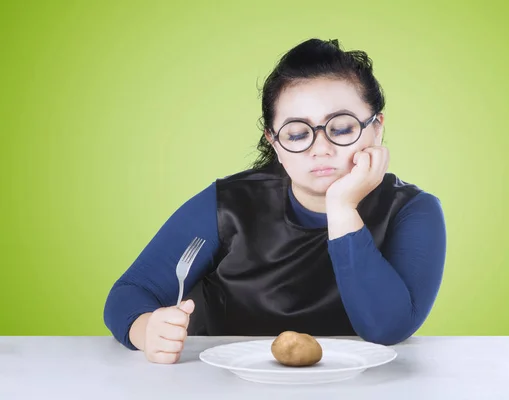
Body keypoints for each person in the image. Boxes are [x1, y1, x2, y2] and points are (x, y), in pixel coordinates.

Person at [104, 38, 447, 364]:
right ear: (274, 142)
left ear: (377, 129)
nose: (321, 148)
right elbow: (130, 292)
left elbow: (387, 328)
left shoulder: (412, 211)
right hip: (221, 386)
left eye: (341, 128)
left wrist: (341, 208)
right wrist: (146, 330)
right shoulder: (228, 204)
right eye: (297, 134)